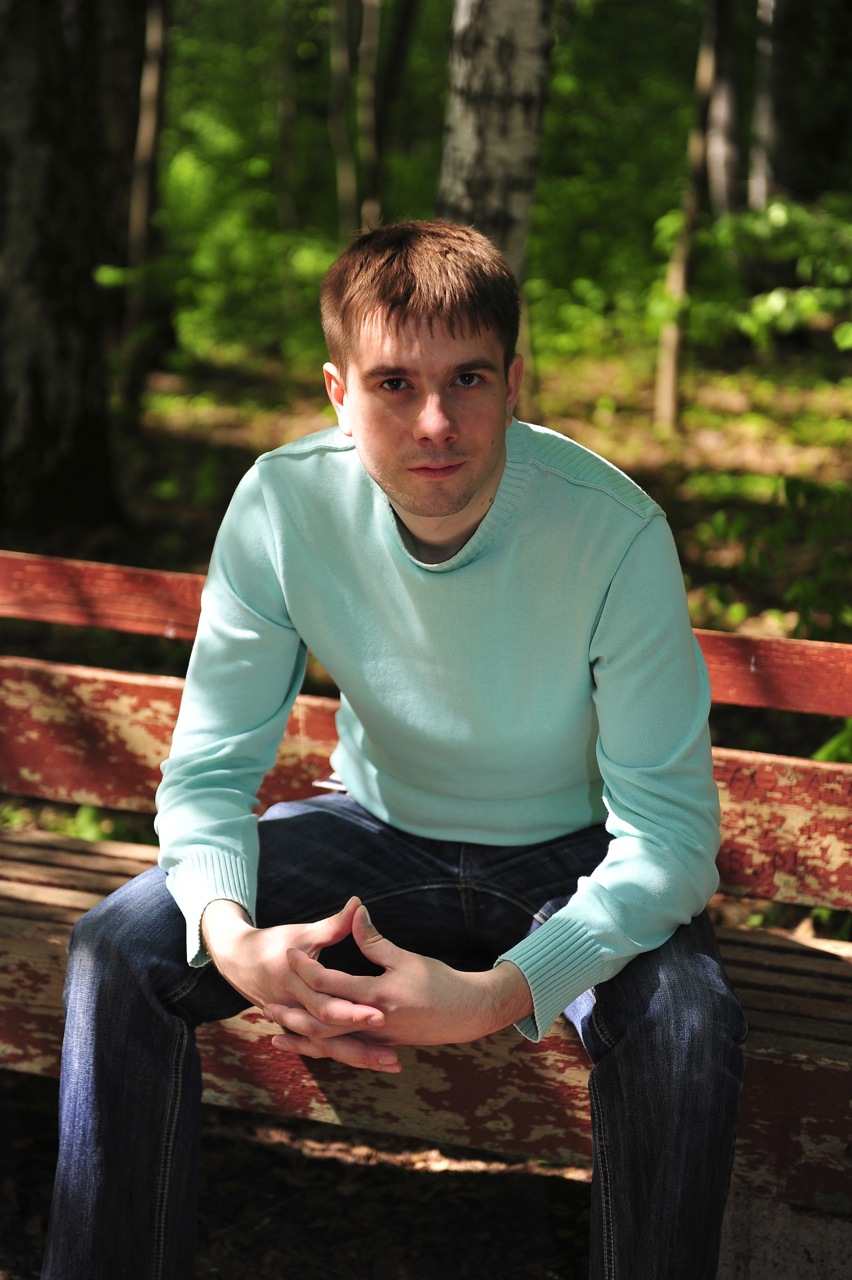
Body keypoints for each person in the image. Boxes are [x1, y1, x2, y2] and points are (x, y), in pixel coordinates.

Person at [42, 220, 746, 1280]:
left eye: (468, 378)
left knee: (687, 1024)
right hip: (372, 832)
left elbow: (673, 839)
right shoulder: (283, 503)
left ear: (514, 381)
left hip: (574, 856)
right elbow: (209, 773)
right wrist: (231, 938)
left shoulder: (614, 530)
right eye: (392, 384)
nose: (435, 421)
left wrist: (497, 993)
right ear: (339, 393)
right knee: (119, 948)